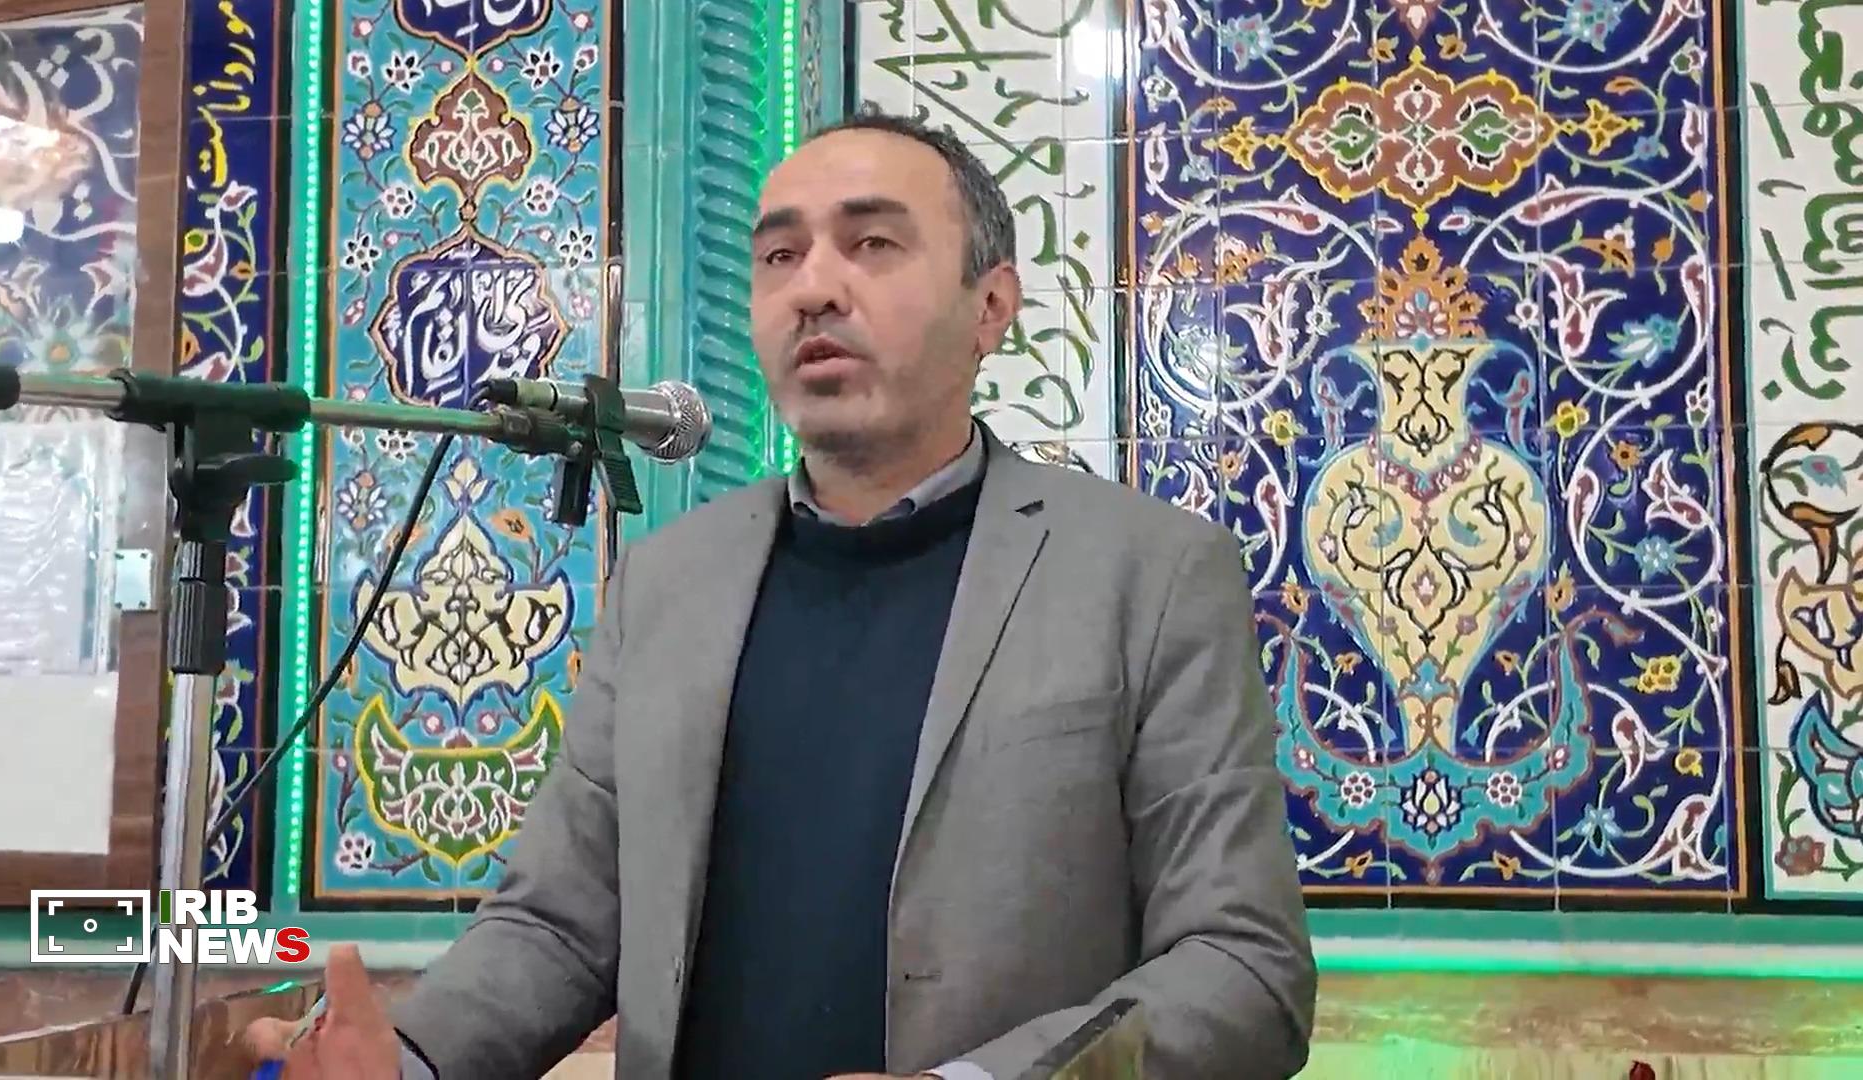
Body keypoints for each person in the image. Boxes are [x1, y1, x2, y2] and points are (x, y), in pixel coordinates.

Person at [246, 111, 1316, 1080]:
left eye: (873, 244)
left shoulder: (1149, 574)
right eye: (779, 256)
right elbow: (559, 924)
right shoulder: (670, 583)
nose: (814, 288)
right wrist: (409, 1061)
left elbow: (1243, 968)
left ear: (991, 306)